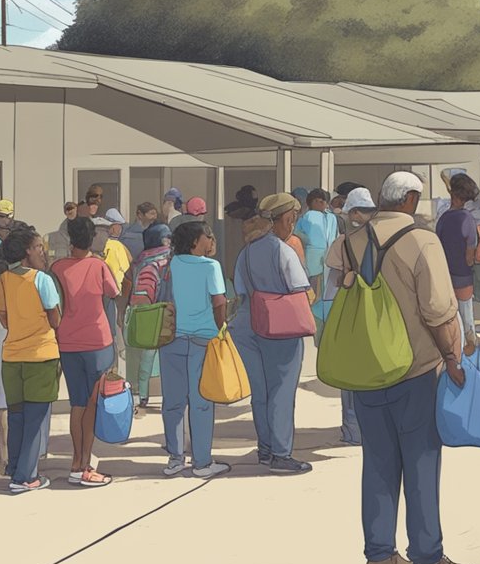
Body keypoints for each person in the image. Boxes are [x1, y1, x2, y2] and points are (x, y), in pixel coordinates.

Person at [339, 171, 477, 564]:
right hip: (415, 368)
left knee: (377, 462)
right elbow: (438, 309)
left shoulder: (351, 241)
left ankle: (379, 558)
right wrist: (453, 357)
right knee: (420, 462)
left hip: (366, 367)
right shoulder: (421, 241)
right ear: (412, 199)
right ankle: (427, 560)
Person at [233, 195, 314, 475]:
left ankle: (265, 448)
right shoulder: (283, 251)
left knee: (261, 391)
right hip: (280, 326)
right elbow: (299, 287)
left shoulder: (246, 252)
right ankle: (281, 454)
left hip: (247, 324)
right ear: (286, 218)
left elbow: (240, 290)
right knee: (282, 389)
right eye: (292, 218)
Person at [51, 217, 120, 487]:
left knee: (77, 404)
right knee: (92, 403)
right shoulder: (99, 266)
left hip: (67, 341)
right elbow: (112, 292)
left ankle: (75, 463)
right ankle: (85, 464)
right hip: (96, 340)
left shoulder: (56, 268)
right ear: (91, 239)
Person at [158, 221, 230, 479]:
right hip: (203, 339)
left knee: (173, 402)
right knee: (201, 402)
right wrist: (221, 328)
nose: (210, 240)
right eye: (206, 236)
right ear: (195, 241)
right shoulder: (212, 266)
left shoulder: (170, 265)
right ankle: (202, 462)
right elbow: (219, 302)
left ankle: (175, 458)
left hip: (171, 338)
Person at [0, 225, 60, 493]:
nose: (42, 252)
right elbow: (55, 319)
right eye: (37, 248)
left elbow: (3, 316)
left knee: (17, 416)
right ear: (26, 253)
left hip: (11, 356)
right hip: (41, 355)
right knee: (36, 419)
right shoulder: (42, 280)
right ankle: (25, 477)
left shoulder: (3, 280)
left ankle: (14, 467)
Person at [325, 187, 378, 445]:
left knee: (349, 370)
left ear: (355, 213)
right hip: (381, 309)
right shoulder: (385, 237)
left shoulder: (344, 242)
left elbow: (334, 275)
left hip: (351, 308)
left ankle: (353, 428)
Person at [120, 223, 172, 414]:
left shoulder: (138, 262)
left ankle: (141, 395)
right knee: (165, 359)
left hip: (141, 315)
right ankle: (166, 395)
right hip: (164, 314)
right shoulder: (167, 261)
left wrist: (123, 312)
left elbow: (127, 287)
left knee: (143, 358)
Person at [436, 174, 480, 353]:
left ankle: (454, 347)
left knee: (450, 316)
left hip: (444, 272)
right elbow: (470, 249)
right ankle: (469, 349)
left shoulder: (443, 218)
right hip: (462, 271)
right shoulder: (467, 219)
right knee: (466, 314)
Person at [296, 188, 339, 299]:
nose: (323, 204)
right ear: (312, 202)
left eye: (324, 201)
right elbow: (298, 235)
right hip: (312, 260)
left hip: (329, 258)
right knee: (314, 293)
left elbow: (336, 236)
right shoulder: (307, 216)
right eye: (319, 201)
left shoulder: (332, 217)